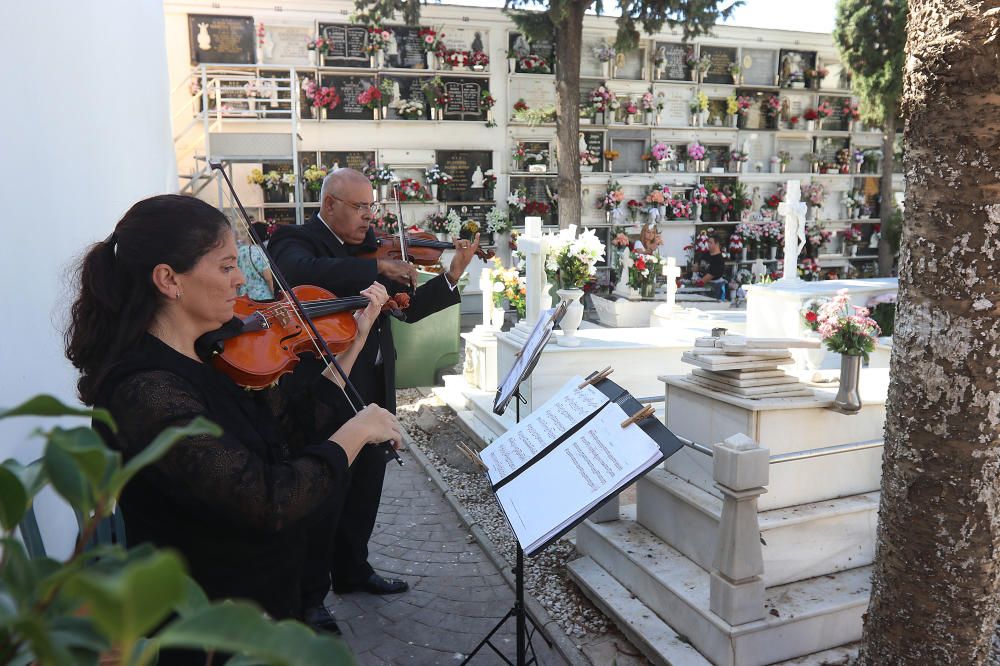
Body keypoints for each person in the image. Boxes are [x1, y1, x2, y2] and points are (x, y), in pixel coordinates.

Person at [64, 195, 403, 647]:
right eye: (226, 266)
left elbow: (286, 430)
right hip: (206, 632)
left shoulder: (205, 357)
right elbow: (269, 500)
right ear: (169, 280)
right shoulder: (146, 390)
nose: (241, 278)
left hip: (251, 609)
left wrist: (353, 342)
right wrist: (357, 431)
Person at [268, 169, 480, 613]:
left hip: (373, 385)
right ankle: (309, 597)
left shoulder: (373, 249)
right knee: (324, 493)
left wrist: (452, 276)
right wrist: (375, 266)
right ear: (330, 205)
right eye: (361, 207)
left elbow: (408, 309)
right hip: (325, 389)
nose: (370, 217)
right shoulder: (297, 239)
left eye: (372, 207)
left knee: (367, 483)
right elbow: (295, 271)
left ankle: (353, 570)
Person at [236, 221, 274, 300]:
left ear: (249, 235)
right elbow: (268, 277)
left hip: (244, 297)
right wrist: (275, 295)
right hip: (263, 297)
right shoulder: (262, 253)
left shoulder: (240, 251)